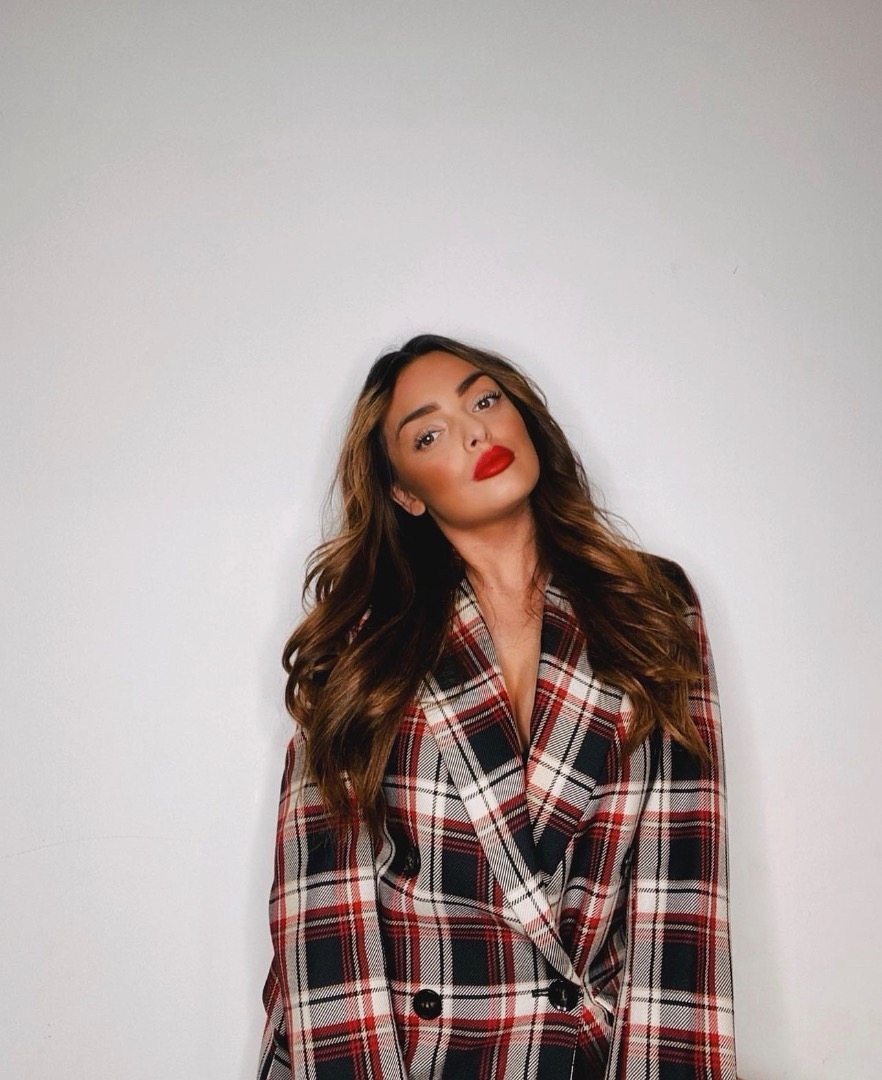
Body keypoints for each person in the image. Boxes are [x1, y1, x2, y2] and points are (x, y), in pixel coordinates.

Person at [257, 334, 737, 1080]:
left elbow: (682, 889)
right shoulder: (363, 643)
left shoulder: (649, 605)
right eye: (429, 434)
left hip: (583, 1055)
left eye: (484, 400)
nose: (476, 432)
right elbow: (324, 906)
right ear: (406, 493)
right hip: (407, 1054)